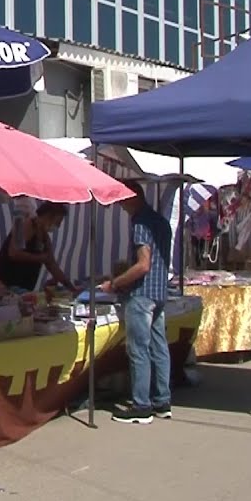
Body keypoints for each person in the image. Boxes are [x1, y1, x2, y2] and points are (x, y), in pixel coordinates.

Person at [99, 181, 174, 424]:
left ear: (132, 197)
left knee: (139, 349)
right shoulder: (160, 221)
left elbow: (143, 265)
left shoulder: (140, 222)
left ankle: (142, 405)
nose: (121, 205)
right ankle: (162, 400)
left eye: (122, 200)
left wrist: (115, 283)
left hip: (142, 294)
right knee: (159, 347)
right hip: (159, 292)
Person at [0, 201, 77, 292]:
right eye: (58, 222)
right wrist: (41, 258)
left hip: (20, 289)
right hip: (1, 283)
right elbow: (13, 253)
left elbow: (52, 264)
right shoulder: (24, 224)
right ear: (48, 216)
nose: (58, 226)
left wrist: (70, 287)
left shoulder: (45, 238)